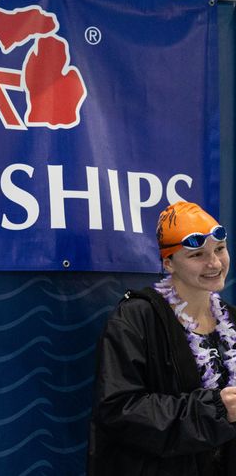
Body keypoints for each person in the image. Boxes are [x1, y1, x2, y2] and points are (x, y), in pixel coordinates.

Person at [88, 201, 236, 475]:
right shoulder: (135, 319)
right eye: (197, 255)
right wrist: (216, 409)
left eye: (219, 249)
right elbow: (119, 410)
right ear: (169, 263)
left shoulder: (232, 319)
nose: (214, 263)